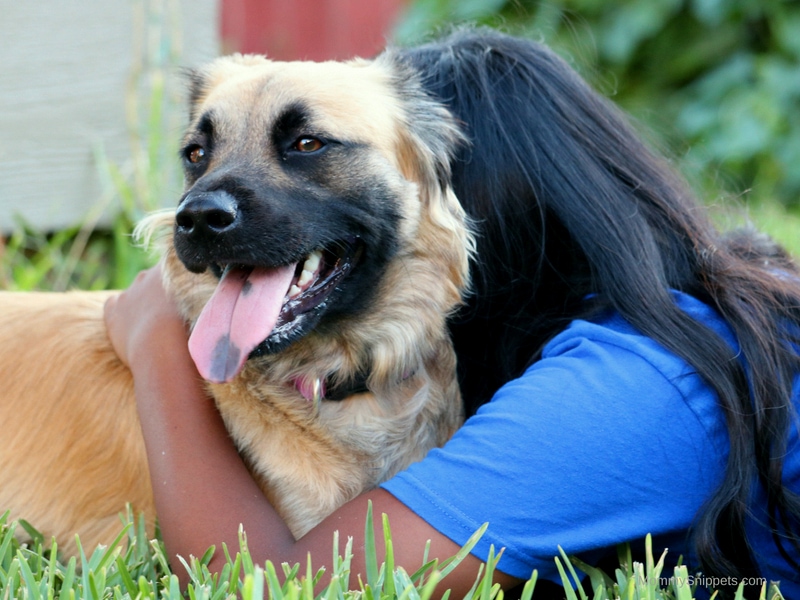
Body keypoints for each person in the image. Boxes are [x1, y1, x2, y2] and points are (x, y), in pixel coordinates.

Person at [103, 29, 800, 598]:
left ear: (476, 210)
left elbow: (274, 586)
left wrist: (157, 339)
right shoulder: (701, 308)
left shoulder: (616, 393)